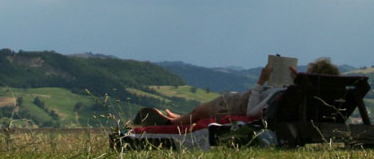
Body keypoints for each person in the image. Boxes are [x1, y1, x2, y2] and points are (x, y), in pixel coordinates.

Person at [136, 57, 340, 125]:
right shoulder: (313, 100)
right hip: (251, 101)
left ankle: (171, 122)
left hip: (238, 104)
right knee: (196, 113)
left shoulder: (287, 95)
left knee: (199, 111)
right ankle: (180, 117)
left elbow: (251, 113)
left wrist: (260, 82)